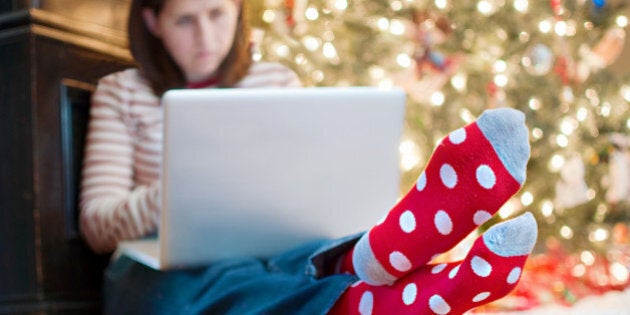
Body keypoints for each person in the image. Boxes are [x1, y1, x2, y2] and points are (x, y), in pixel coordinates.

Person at [79, 0, 539, 314]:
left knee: (288, 260)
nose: (206, 35)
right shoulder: (122, 92)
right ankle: (362, 285)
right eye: (184, 20)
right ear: (154, 22)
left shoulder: (276, 81)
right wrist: (178, 190)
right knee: (197, 292)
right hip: (159, 266)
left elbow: (312, 187)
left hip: (273, 253)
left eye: (218, 13)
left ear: (237, 9)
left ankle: (366, 259)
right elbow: (97, 223)